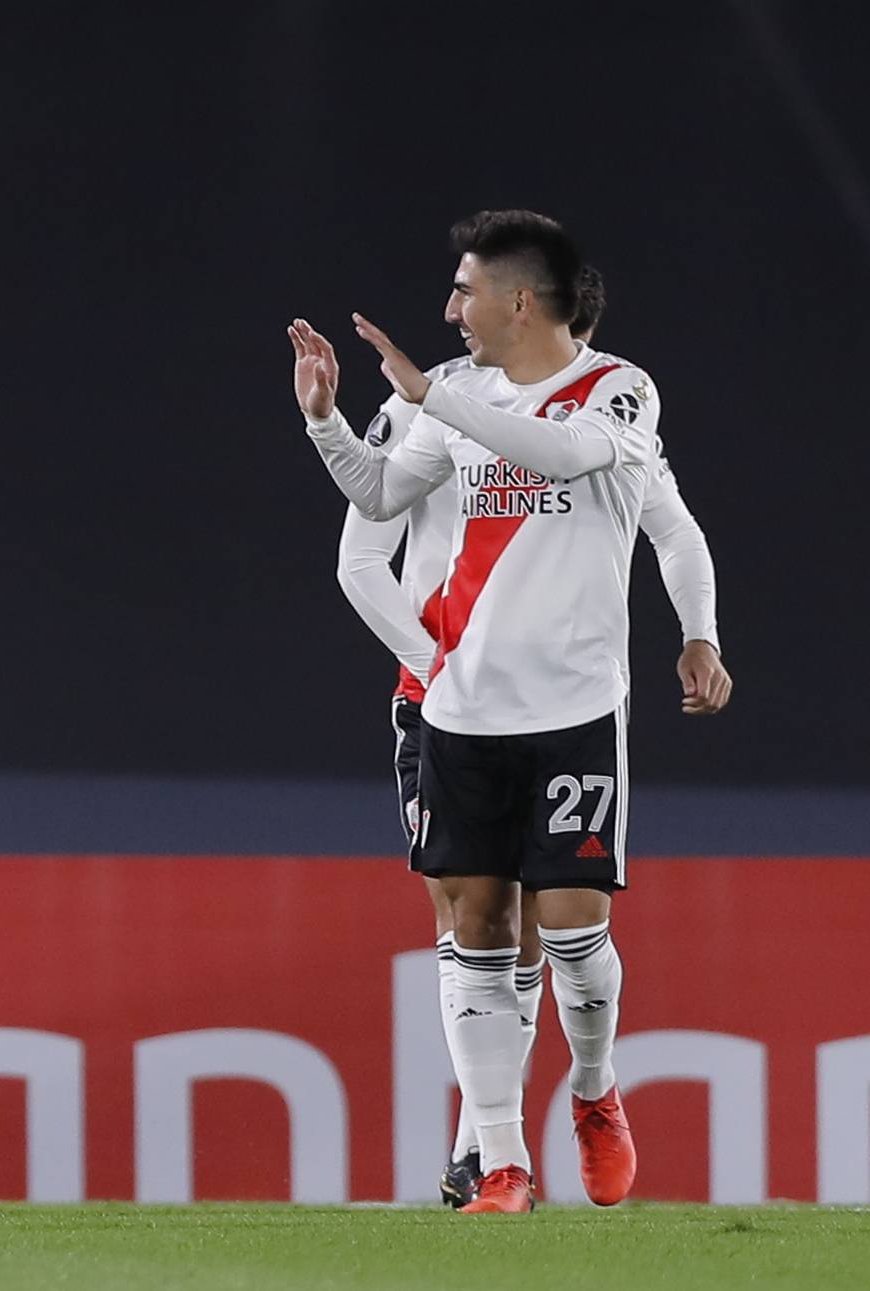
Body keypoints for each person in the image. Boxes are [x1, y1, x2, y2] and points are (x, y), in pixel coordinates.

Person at [290, 210, 681, 1213]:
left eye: (464, 289)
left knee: (573, 938)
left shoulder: (617, 389)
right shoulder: (452, 394)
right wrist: (326, 418)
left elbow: (566, 466)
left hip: (574, 706)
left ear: (518, 300)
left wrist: (431, 399)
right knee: (473, 922)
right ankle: (497, 1161)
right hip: (459, 706)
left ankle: (593, 1092)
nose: (448, 307)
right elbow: (377, 502)